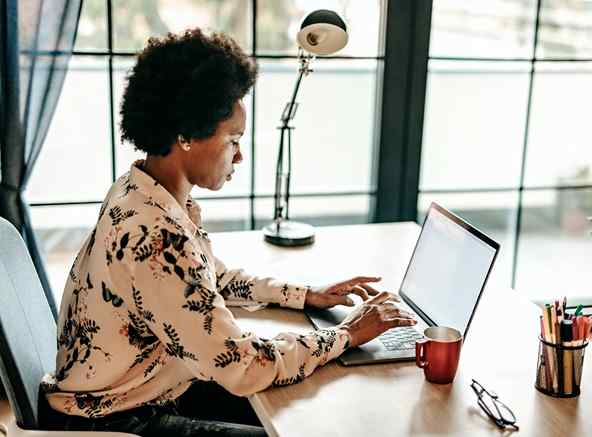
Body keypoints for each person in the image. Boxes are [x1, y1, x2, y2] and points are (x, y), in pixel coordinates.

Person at [40, 29, 416, 436]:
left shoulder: (140, 189)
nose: (240, 154)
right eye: (233, 139)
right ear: (185, 135)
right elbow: (243, 367)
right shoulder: (155, 234)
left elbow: (207, 280)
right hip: (117, 418)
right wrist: (347, 334)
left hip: (143, 385)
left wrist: (305, 296)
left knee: (307, 400)